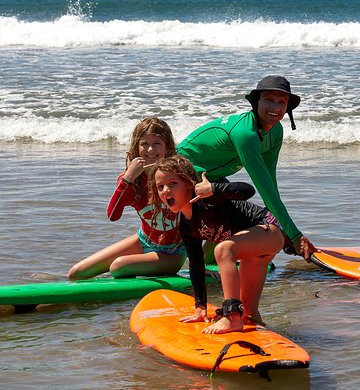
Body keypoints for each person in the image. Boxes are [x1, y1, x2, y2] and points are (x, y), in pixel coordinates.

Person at [177, 75, 316, 261]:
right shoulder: (246, 135)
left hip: (210, 178)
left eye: (281, 102)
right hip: (180, 175)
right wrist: (294, 235)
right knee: (247, 218)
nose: (275, 107)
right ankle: (208, 260)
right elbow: (263, 188)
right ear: (256, 102)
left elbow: (270, 182)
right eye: (269, 100)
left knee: (236, 215)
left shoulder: (275, 131)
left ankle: (209, 260)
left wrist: (289, 232)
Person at [149, 155, 283, 334]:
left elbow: (247, 190)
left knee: (223, 249)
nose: (166, 190)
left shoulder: (207, 199)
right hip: (251, 251)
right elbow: (196, 265)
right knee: (249, 315)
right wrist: (200, 307)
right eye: (160, 187)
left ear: (190, 183)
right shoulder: (185, 225)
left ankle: (231, 316)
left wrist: (213, 188)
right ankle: (262, 337)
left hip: (269, 230)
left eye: (173, 183)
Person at [67, 117, 184, 279]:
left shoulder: (178, 177)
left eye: (157, 143)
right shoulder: (130, 181)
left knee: (118, 267)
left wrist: (200, 264)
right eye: (144, 144)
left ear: (167, 147)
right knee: (76, 273)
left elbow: (198, 215)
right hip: (145, 241)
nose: (150, 150)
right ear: (136, 147)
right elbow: (113, 215)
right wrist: (128, 177)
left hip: (174, 252)